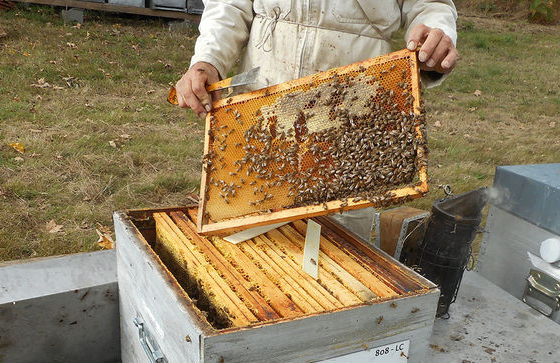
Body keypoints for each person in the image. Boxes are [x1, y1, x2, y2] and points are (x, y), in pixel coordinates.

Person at [175, 1, 459, 237]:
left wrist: (435, 35)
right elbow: (229, 4)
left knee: (338, 263)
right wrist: (208, 59)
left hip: (350, 125)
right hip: (264, 117)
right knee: (252, 249)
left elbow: (431, 5)